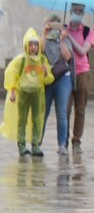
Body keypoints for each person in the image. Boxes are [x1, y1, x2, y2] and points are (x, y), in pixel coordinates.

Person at [4, 28, 55, 156]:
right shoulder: (20, 60)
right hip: (23, 94)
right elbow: (11, 74)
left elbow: (49, 80)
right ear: (26, 45)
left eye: (35, 44)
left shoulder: (43, 60)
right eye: (30, 44)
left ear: (38, 45)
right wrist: (13, 90)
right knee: (22, 120)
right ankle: (21, 145)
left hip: (38, 94)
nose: (33, 47)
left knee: (37, 120)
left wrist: (45, 71)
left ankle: (35, 145)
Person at [62, 4, 94, 150]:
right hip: (66, 72)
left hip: (82, 72)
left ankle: (76, 140)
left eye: (81, 11)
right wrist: (62, 35)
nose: (78, 13)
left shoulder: (88, 31)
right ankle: (64, 139)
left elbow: (82, 51)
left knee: (80, 109)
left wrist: (69, 36)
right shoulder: (63, 29)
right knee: (65, 109)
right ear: (70, 11)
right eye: (75, 10)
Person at [41, 16, 73, 154]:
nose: (54, 31)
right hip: (47, 78)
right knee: (43, 112)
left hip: (63, 79)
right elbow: (40, 51)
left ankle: (62, 145)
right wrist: (44, 34)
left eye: (56, 28)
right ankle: (37, 142)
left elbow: (67, 57)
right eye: (51, 27)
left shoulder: (65, 40)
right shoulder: (44, 39)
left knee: (61, 113)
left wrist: (62, 39)